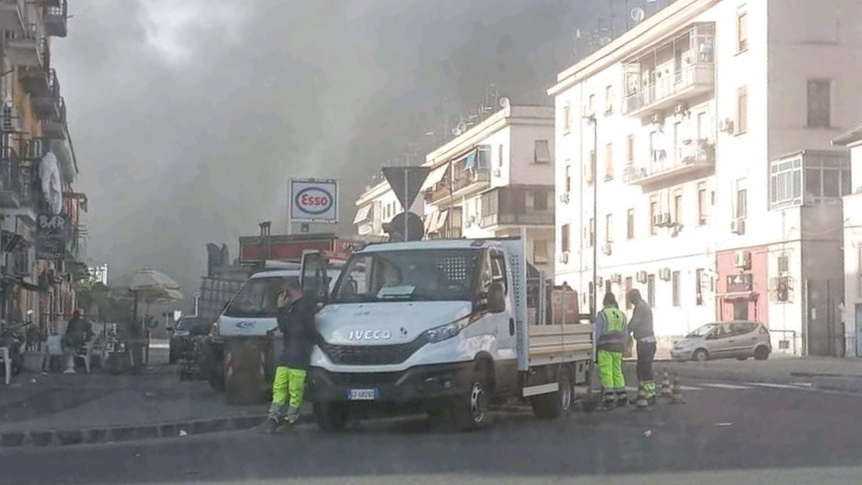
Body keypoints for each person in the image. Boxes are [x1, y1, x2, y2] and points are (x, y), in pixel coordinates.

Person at [265, 276, 317, 432]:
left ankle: (290, 419)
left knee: (294, 390)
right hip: (290, 354)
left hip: (298, 355)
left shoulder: (304, 307)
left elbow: (296, 329)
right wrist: (281, 310)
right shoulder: (295, 308)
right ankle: (274, 416)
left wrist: (282, 310)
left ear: (289, 291)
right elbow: (284, 328)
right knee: (280, 387)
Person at [594, 292, 628, 410]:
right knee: (617, 371)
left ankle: (609, 398)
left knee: (606, 372)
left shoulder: (603, 315)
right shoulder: (621, 315)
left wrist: (594, 348)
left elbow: (597, 333)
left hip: (605, 347)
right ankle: (622, 396)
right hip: (618, 348)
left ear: (605, 302)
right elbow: (625, 333)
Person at [627, 289, 657, 405]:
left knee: (643, 370)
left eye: (630, 298)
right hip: (648, 341)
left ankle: (648, 395)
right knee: (644, 369)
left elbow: (634, 323)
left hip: (645, 342)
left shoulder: (640, 307)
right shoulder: (644, 306)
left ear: (634, 297)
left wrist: (625, 332)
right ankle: (646, 394)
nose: (630, 301)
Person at [62, 309, 93, 374]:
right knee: (68, 344)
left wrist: (88, 335)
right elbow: (68, 331)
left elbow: (89, 326)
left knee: (70, 346)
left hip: (78, 340)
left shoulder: (82, 322)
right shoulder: (71, 322)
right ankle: (70, 364)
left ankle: (71, 365)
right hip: (73, 340)